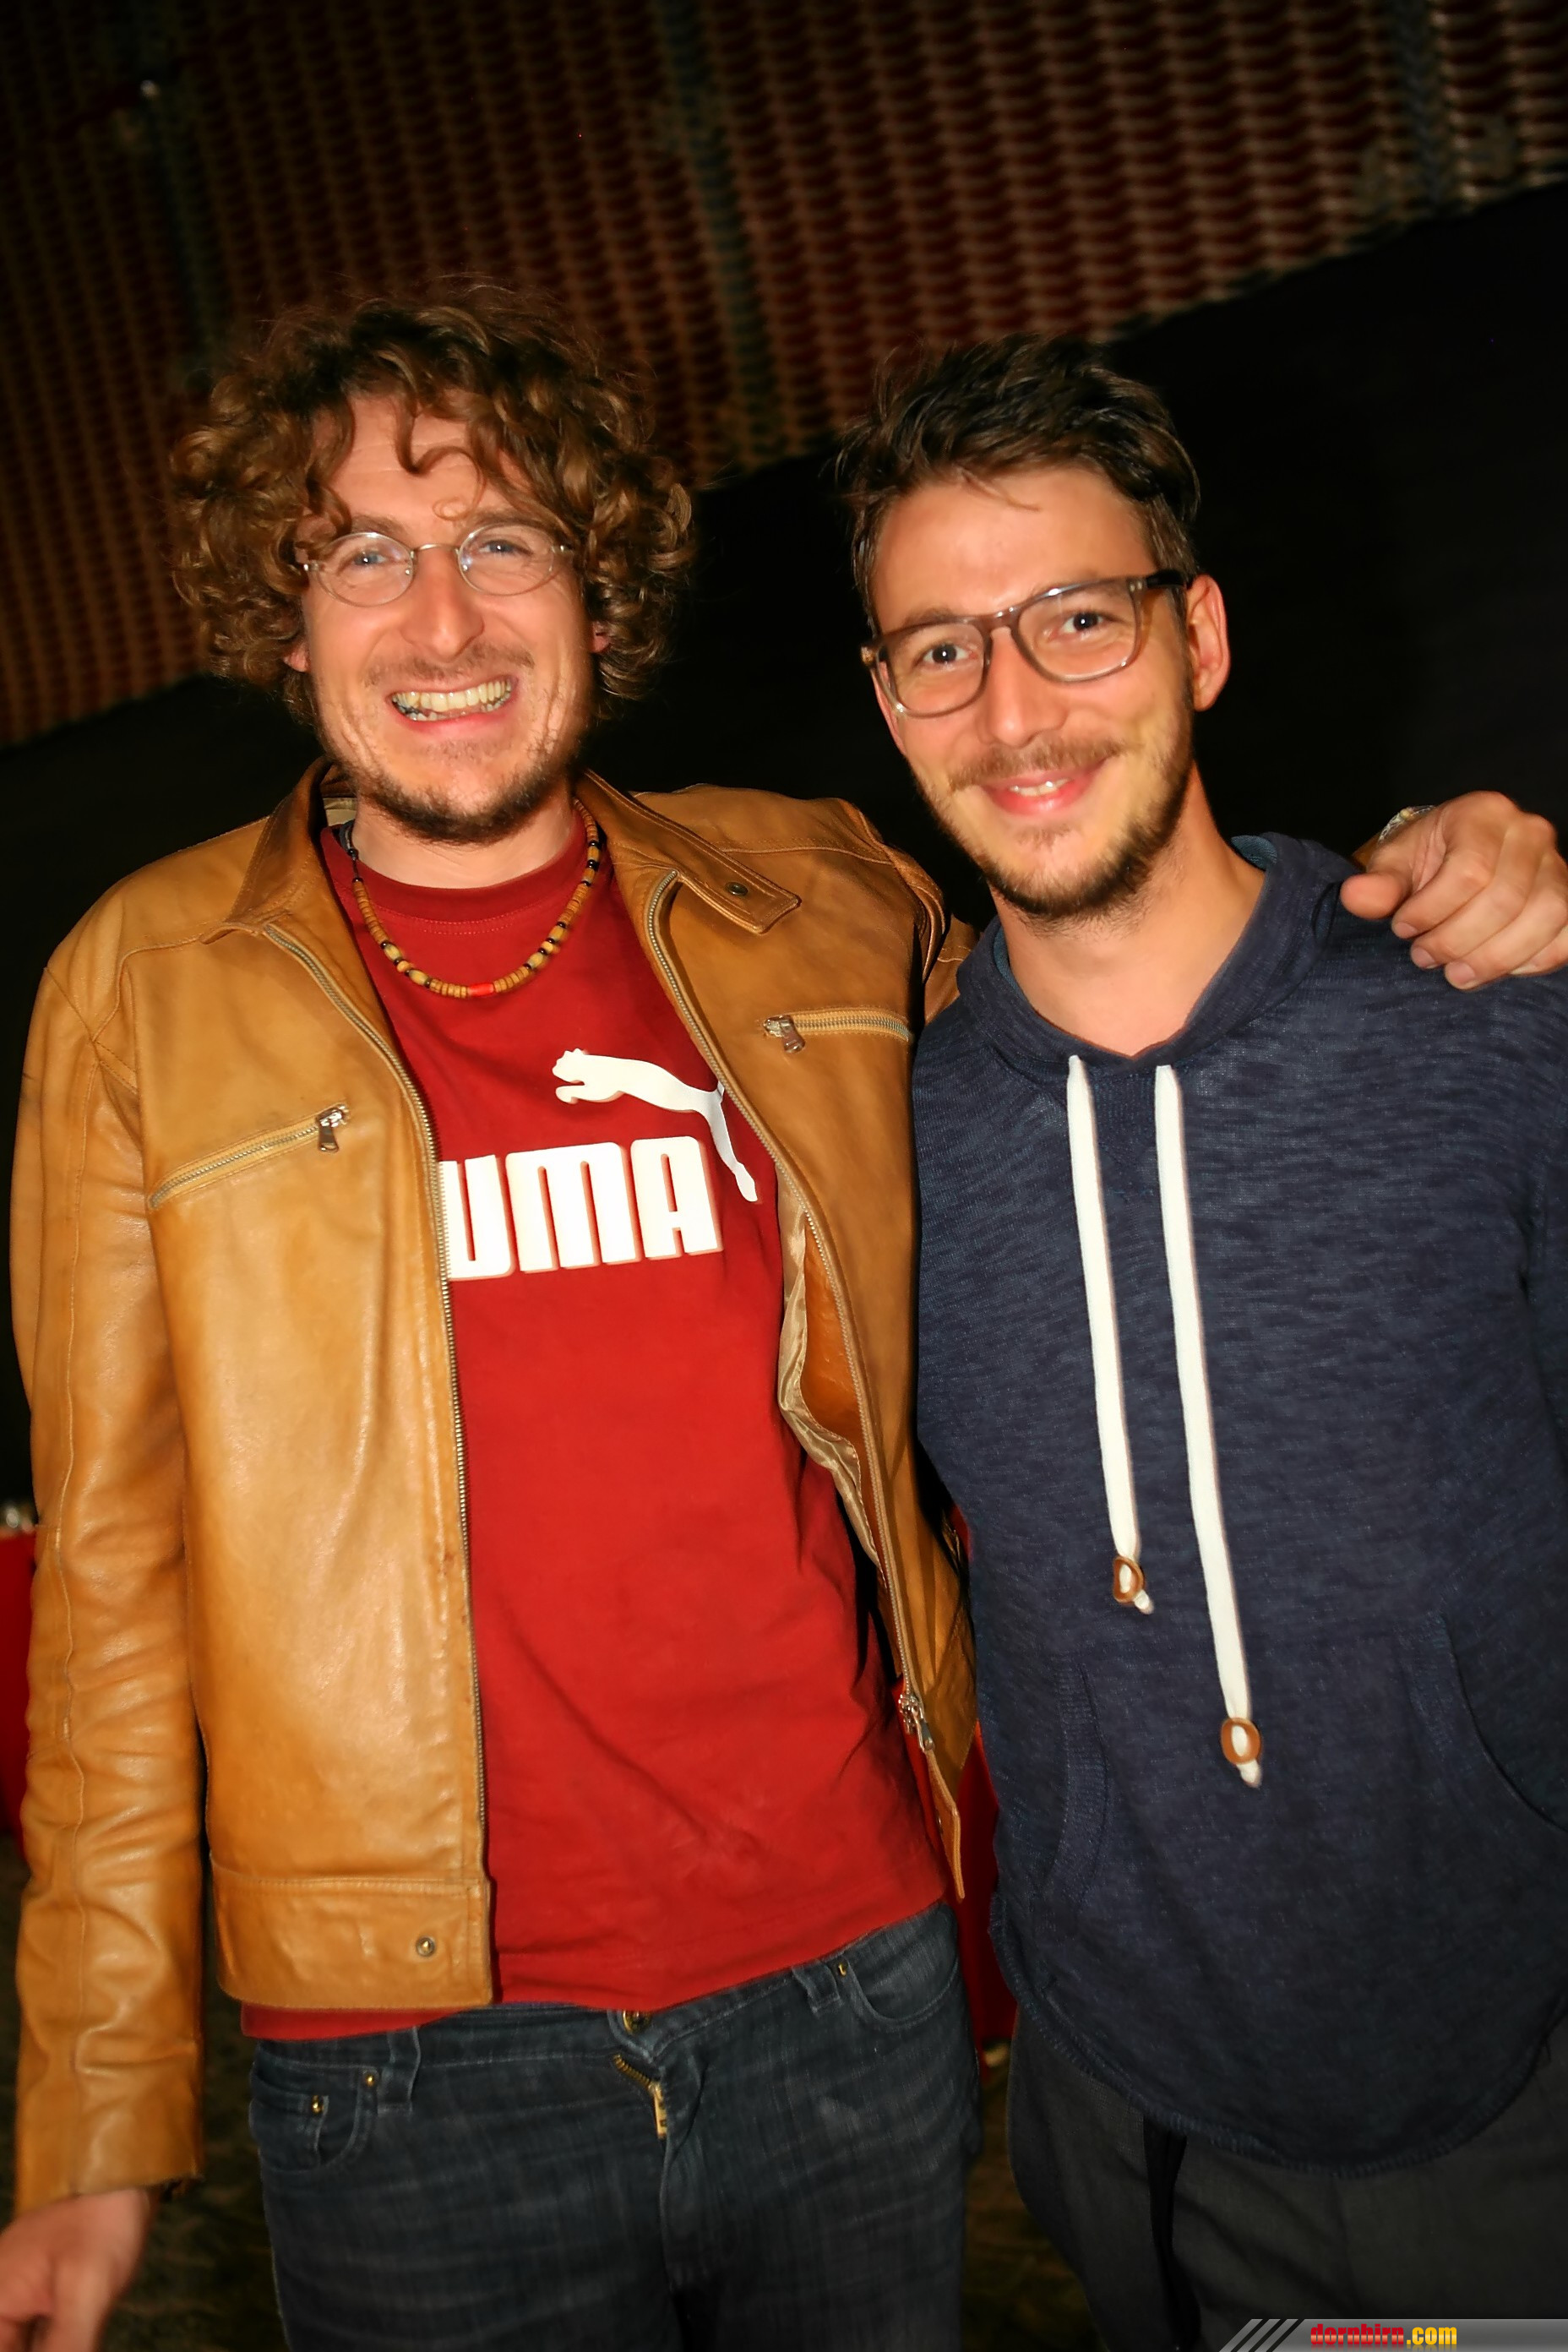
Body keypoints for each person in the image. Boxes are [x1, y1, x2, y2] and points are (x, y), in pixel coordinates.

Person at [0, 291, 1560, 2352]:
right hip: (410, 2066)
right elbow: (109, 1585)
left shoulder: (816, 909)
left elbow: (1142, 988)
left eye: (502, 542)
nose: (444, 620)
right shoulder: (145, 989)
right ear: (282, 621)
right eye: (362, 554)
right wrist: (94, 2112)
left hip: (855, 1995)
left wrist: (1454, 875)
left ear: (599, 590)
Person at [838, 334, 1568, 2342]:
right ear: (888, 703)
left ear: (1201, 637)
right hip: (1141, 2137)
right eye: (939, 650)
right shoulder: (885, 1149)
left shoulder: (1487, 1019)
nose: (1013, 708)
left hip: (1519, 2108)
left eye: (1076, 617)